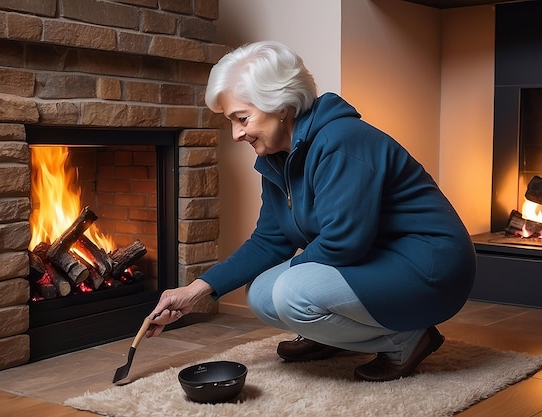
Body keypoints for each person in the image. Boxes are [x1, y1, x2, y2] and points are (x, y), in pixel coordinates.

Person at [146, 40, 476, 382]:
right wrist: (196, 290)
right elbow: (269, 241)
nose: (236, 133)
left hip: (430, 264)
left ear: (281, 105)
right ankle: (331, 337)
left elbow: (344, 243)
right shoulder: (276, 157)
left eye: (242, 118)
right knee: (260, 294)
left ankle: (408, 338)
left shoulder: (341, 140)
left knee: (290, 292)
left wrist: (292, 278)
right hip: (376, 258)